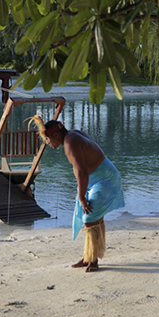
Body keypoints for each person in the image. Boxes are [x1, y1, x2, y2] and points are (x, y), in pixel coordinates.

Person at [30, 117, 125, 273]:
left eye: (47, 139)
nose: (47, 144)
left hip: (106, 180)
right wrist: (82, 193)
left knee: (90, 218)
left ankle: (93, 260)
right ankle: (89, 256)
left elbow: (81, 171)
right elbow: (83, 168)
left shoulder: (70, 142)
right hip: (96, 179)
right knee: (90, 216)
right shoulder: (72, 135)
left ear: (55, 135)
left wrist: (81, 196)